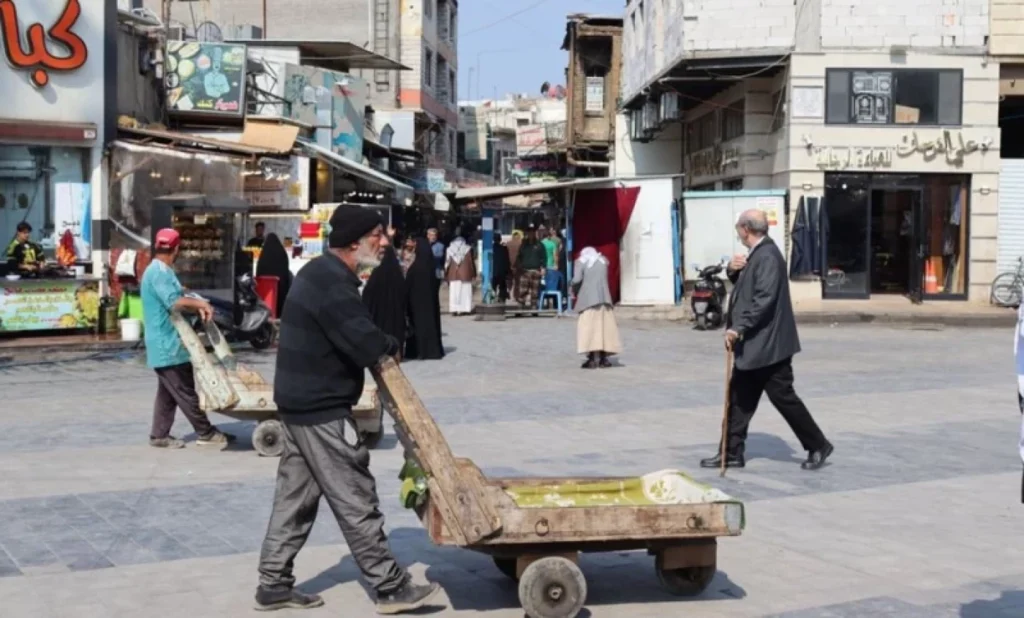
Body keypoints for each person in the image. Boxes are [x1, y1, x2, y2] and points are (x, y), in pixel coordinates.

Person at [256, 206, 442, 614]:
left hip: (298, 405)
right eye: (377, 234)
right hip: (321, 409)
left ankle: (273, 584)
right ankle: (390, 586)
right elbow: (366, 343)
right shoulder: (332, 285)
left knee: (294, 499)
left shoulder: (321, 273)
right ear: (354, 242)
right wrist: (391, 345)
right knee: (355, 496)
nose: (385, 241)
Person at [700, 210, 833, 471]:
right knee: (739, 400)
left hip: (770, 347)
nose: (738, 232)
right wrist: (733, 271)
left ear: (746, 229)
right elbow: (749, 289)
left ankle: (818, 444)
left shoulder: (768, 256)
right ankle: (731, 452)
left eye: (738, 227)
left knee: (784, 398)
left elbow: (764, 299)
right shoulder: (758, 254)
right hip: (755, 345)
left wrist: (738, 327)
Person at [142, 228, 234, 449]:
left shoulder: (161, 271)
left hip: (168, 342)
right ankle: (206, 432)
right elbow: (173, 301)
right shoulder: (159, 273)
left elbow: (178, 293)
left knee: (168, 392)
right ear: (176, 249)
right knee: (185, 390)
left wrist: (192, 298)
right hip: (167, 343)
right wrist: (201, 304)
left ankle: (159, 435)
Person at [572, 247, 621, 369]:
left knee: (589, 329)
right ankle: (604, 358)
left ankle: (593, 358)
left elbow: (577, 280)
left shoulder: (581, 262)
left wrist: (572, 288)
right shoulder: (603, 261)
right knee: (604, 329)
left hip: (588, 301)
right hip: (604, 300)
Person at [363, 245, 408, 361]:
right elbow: (404, 293)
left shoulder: (377, 273)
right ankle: (397, 353)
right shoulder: (398, 274)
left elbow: (368, 294)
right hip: (395, 313)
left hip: (380, 314)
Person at [404, 238, 445, 360]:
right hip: (430, 305)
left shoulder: (415, 267)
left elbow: (407, 286)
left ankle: (418, 351)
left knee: (418, 326)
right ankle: (432, 350)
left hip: (416, 305)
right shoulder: (432, 267)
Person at [256, 233, 292, 319]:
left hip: (265, 296)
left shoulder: (263, 255)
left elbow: (258, 273)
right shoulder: (282, 254)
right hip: (281, 296)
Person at [515, 225, 547, 308]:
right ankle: (521, 305)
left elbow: (544, 257)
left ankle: (534, 305)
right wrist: (519, 266)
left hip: (536, 271)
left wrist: (543, 268)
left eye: (532, 231)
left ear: (535, 232)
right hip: (525, 271)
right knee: (523, 290)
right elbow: (519, 257)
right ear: (527, 233)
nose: (531, 233)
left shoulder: (540, 245)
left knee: (535, 291)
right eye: (529, 231)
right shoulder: (523, 245)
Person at [445, 236, 475, 316]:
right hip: (466, 274)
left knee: (454, 292)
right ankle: (465, 309)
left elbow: (447, 262)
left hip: (453, 273)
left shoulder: (449, 249)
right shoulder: (468, 249)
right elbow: (471, 262)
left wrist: (446, 273)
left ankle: (454, 309)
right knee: (465, 292)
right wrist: (473, 273)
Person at [491, 233, 511, 303]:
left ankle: (492, 299)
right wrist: (508, 271)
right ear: (500, 239)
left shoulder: (491, 249)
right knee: (502, 286)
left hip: (493, 271)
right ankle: (502, 299)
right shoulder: (504, 249)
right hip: (502, 271)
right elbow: (507, 261)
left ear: (493, 239)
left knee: (493, 286)